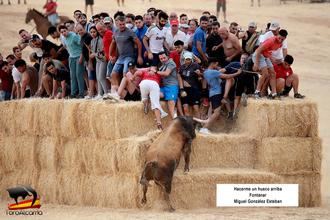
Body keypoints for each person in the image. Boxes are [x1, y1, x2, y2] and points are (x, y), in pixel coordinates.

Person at [197, 58, 241, 134]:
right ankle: (204, 128)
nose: (217, 66)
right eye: (216, 64)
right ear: (212, 64)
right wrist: (237, 73)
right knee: (217, 113)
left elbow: (204, 75)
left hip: (212, 93)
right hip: (216, 93)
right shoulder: (213, 72)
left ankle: (205, 126)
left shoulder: (206, 72)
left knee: (214, 111)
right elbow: (227, 76)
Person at [109, 16, 143, 96]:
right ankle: (118, 93)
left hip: (129, 56)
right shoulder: (116, 32)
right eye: (120, 24)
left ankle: (127, 93)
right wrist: (110, 55)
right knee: (113, 74)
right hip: (121, 57)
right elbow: (113, 43)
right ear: (117, 24)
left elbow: (139, 43)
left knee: (125, 74)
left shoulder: (130, 32)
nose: (122, 26)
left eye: (123, 24)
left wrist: (139, 56)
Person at [253, 29, 288, 99]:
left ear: (285, 38)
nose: (280, 40)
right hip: (258, 55)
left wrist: (271, 57)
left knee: (273, 73)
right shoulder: (271, 41)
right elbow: (258, 50)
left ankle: (273, 93)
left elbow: (267, 51)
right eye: (279, 38)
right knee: (265, 73)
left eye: (282, 39)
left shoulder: (281, 43)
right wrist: (256, 64)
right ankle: (257, 92)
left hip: (265, 56)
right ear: (277, 35)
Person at [132, 66, 168, 130]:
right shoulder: (158, 74)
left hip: (144, 82)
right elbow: (164, 79)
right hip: (154, 84)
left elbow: (137, 72)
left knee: (144, 98)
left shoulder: (145, 72)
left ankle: (146, 104)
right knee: (156, 104)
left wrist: (133, 78)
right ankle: (159, 122)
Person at [59, 24, 85, 98]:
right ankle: (73, 93)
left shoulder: (74, 36)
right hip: (71, 57)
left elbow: (82, 46)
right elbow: (66, 47)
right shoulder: (64, 38)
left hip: (78, 56)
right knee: (72, 76)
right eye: (62, 32)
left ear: (67, 30)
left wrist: (81, 57)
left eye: (65, 31)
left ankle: (81, 93)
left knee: (79, 75)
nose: (64, 33)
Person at [178, 52, 202, 118]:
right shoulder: (181, 67)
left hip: (194, 89)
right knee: (185, 108)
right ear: (184, 59)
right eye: (186, 59)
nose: (188, 61)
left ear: (191, 59)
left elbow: (200, 74)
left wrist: (199, 74)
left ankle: (199, 124)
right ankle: (188, 126)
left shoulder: (195, 65)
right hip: (185, 90)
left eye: (189, 59)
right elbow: (179, 77)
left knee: (196, 108)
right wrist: (181, 89)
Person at [157, 52, 179, 119]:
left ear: (167, 57)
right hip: (164, 87)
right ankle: (162, 112)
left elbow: (166, 73)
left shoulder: (171, 63)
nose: (163, 60)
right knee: (154, 94)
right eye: (161, 59)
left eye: (164, 58)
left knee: (171, 109)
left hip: (172, 86)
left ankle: (177, 125)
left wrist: (156, 71)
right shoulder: (161, 65)